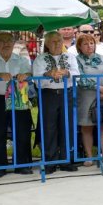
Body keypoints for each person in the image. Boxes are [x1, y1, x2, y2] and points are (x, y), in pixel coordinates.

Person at [0, 32, 34, 177]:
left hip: (18, 98)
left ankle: (22, 165)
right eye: (2, 41)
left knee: (22, 131)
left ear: (13, 43)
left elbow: (29, 73)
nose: (6, 44)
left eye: (9, 41)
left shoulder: (21, 60)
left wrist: (25, 75)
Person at [32, 31, 79, 172]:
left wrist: (67, 73)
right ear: (46, 44)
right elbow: (36, 79)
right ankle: (49, 162)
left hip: (67, 93)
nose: (57, 44)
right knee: (49, 128)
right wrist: (48, 74)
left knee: (67, 126)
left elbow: (78, 74)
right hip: (49, 95)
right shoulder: (40, 59)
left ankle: (66, 160)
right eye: (53, 41)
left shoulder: (70, 57)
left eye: (59, 41)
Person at [73, 32, 103, 164]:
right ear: (79, 47)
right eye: (85, 44)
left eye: (91, 43)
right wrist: (99, 88)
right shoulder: (76, 60)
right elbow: (80, 79)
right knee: (87, 127)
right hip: (86, 97)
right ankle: (89, 156)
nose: (89, 46)